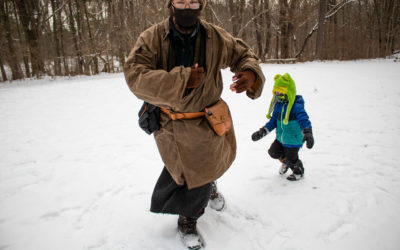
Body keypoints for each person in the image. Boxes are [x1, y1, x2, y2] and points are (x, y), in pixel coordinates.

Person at [123, 0, 265, 249]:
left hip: (208, 120)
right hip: (171, 125)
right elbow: (135, 75)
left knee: (203, 168)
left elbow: (243, 54)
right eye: (181, 1)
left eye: (193, 2)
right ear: (171, 4)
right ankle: (196, 202)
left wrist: (249, 72)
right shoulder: (153, 37)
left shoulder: (214, 36)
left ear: (201, 4)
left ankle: (188, 218)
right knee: (184, 173)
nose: (186, 7)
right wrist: (182, 79)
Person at [251, 73, 314, 181]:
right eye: (277, 92)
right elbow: (273, 122)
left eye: (281, 92)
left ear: (288, 91)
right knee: (273, 152)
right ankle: (287, 163)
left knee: (292, 158)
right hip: (281, 138)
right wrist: (262, 132)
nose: (279, 95)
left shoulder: (297, 107)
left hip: (293, 140)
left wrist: (308, 132)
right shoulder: (278, 105)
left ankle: (298, 171)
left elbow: (304, 120)